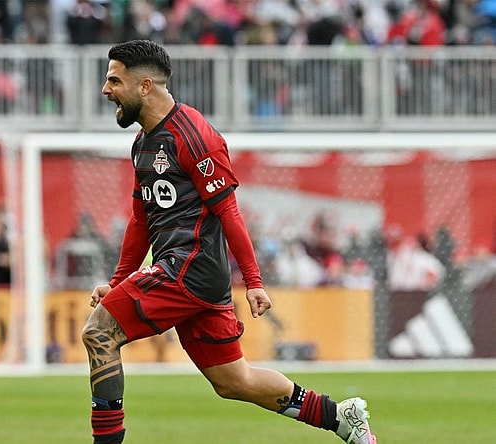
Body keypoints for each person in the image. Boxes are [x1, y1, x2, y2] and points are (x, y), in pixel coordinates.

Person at [82, 40, 376, 444]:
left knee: (100, 332)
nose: (106, 89)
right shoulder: (143, 143)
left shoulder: (195, 136)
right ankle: (340, 416)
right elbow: (140, 219)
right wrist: (118, 281)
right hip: (189, 274)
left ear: (145, 85)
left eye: (114, 79)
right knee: (233, 381)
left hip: (188, 269)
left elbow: (229, 212)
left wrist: (254, 280)